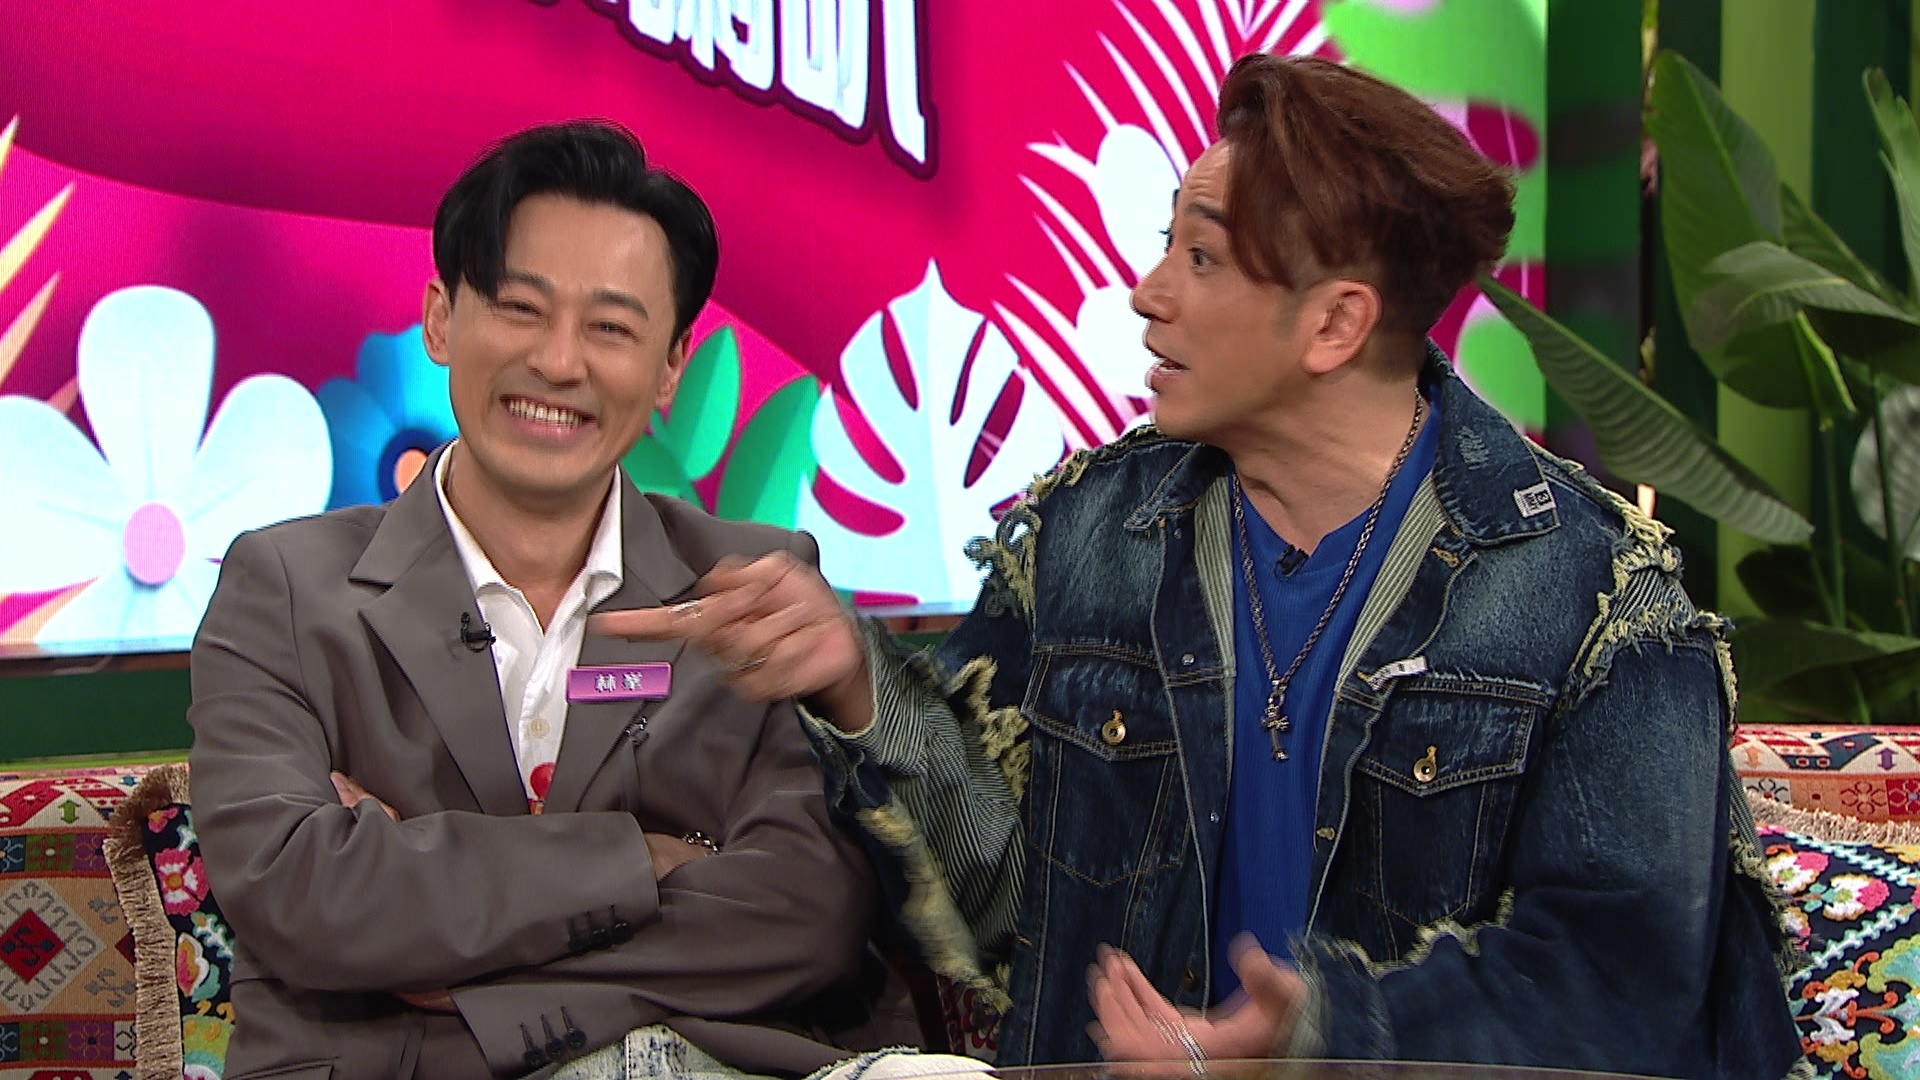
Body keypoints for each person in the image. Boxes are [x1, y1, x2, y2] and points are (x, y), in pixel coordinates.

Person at [592, 54, 1805, 1079]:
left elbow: (1623, 987)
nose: (1147, 295)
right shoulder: (1090, 533)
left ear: (1334, 323)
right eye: (1165, 245)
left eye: (1204, 259)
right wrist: (858, 682)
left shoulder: (1594, 596)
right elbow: (1010, 898)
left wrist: (1321, 1039)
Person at [187, 120, 904, 1080]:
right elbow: (308, 898)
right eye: (520, 308)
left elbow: (807, 913)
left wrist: (470, 966)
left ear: (671, 367)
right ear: (442, 318)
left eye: (611, 327)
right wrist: (645, 859)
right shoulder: (282, 587)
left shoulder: (753, 583)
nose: (559, 362)